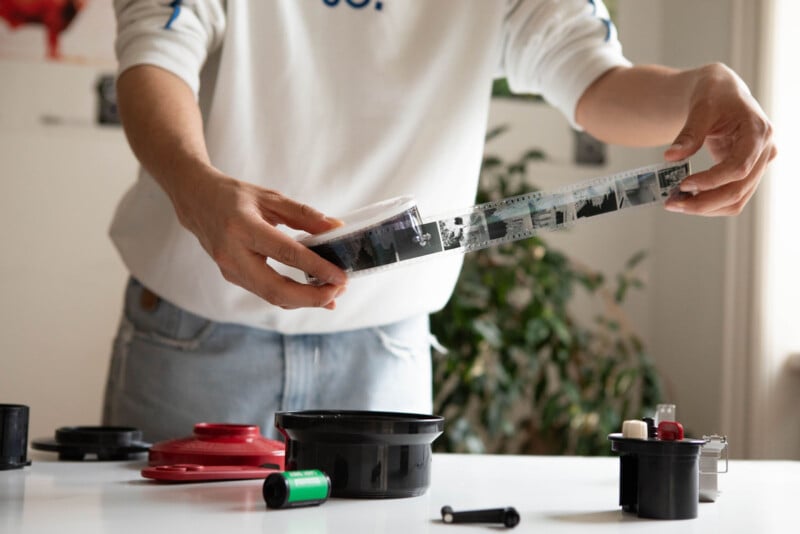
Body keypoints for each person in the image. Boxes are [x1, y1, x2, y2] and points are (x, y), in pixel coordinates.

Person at [102, 0, 775, 443]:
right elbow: (155, 54)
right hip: (193, 339)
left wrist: (698, 91)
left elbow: (593, 77)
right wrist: (196, 186)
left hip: (385, 354)